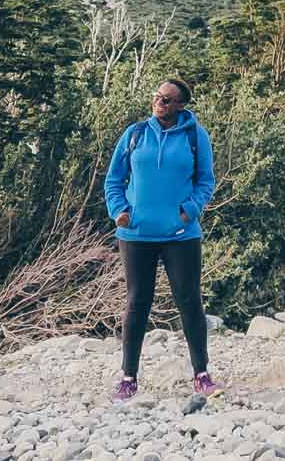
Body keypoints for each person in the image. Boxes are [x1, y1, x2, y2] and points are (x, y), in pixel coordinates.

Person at [104, 78, 219, 401]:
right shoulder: (135, 133)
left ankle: (202, 374)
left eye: (167, 100)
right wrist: (119, 211)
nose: (159, 103)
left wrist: (189, 211)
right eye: (157, 97)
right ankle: (128, 378)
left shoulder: (196, 136)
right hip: (136, 233)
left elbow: (205, 181)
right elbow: (114, 179)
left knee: (189, 300)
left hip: (180, 234)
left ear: (181, 105)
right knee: (137, 302)